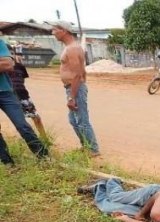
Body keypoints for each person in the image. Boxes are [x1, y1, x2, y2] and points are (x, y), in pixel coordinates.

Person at [47, 20, 100, 156]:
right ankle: (86, 145)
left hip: (75, 88)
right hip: (73, 88)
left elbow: (77, 74)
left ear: (63, 30)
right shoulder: (69, 47)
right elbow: (82, 72)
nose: (52, 33)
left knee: (82, 120)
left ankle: (93, 149)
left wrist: (72, 96)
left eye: (54, 30)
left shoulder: (73, 49)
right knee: (73, 119)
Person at [0, 39, 48, 164]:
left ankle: (44, 157)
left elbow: (7, 65)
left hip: (5, 92)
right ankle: (7, 163)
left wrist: (4, 62)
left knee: (22, 125)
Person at [6, 44, 47, 140]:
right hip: (10, 96)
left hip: (23, 95)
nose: (11, 56)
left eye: (12, 53)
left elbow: (22, 80)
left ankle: (45, 139)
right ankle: (27, 139)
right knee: (20, 121)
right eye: (8, 54)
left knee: (35, 117)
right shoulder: (3, 68)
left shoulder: (20, 66)